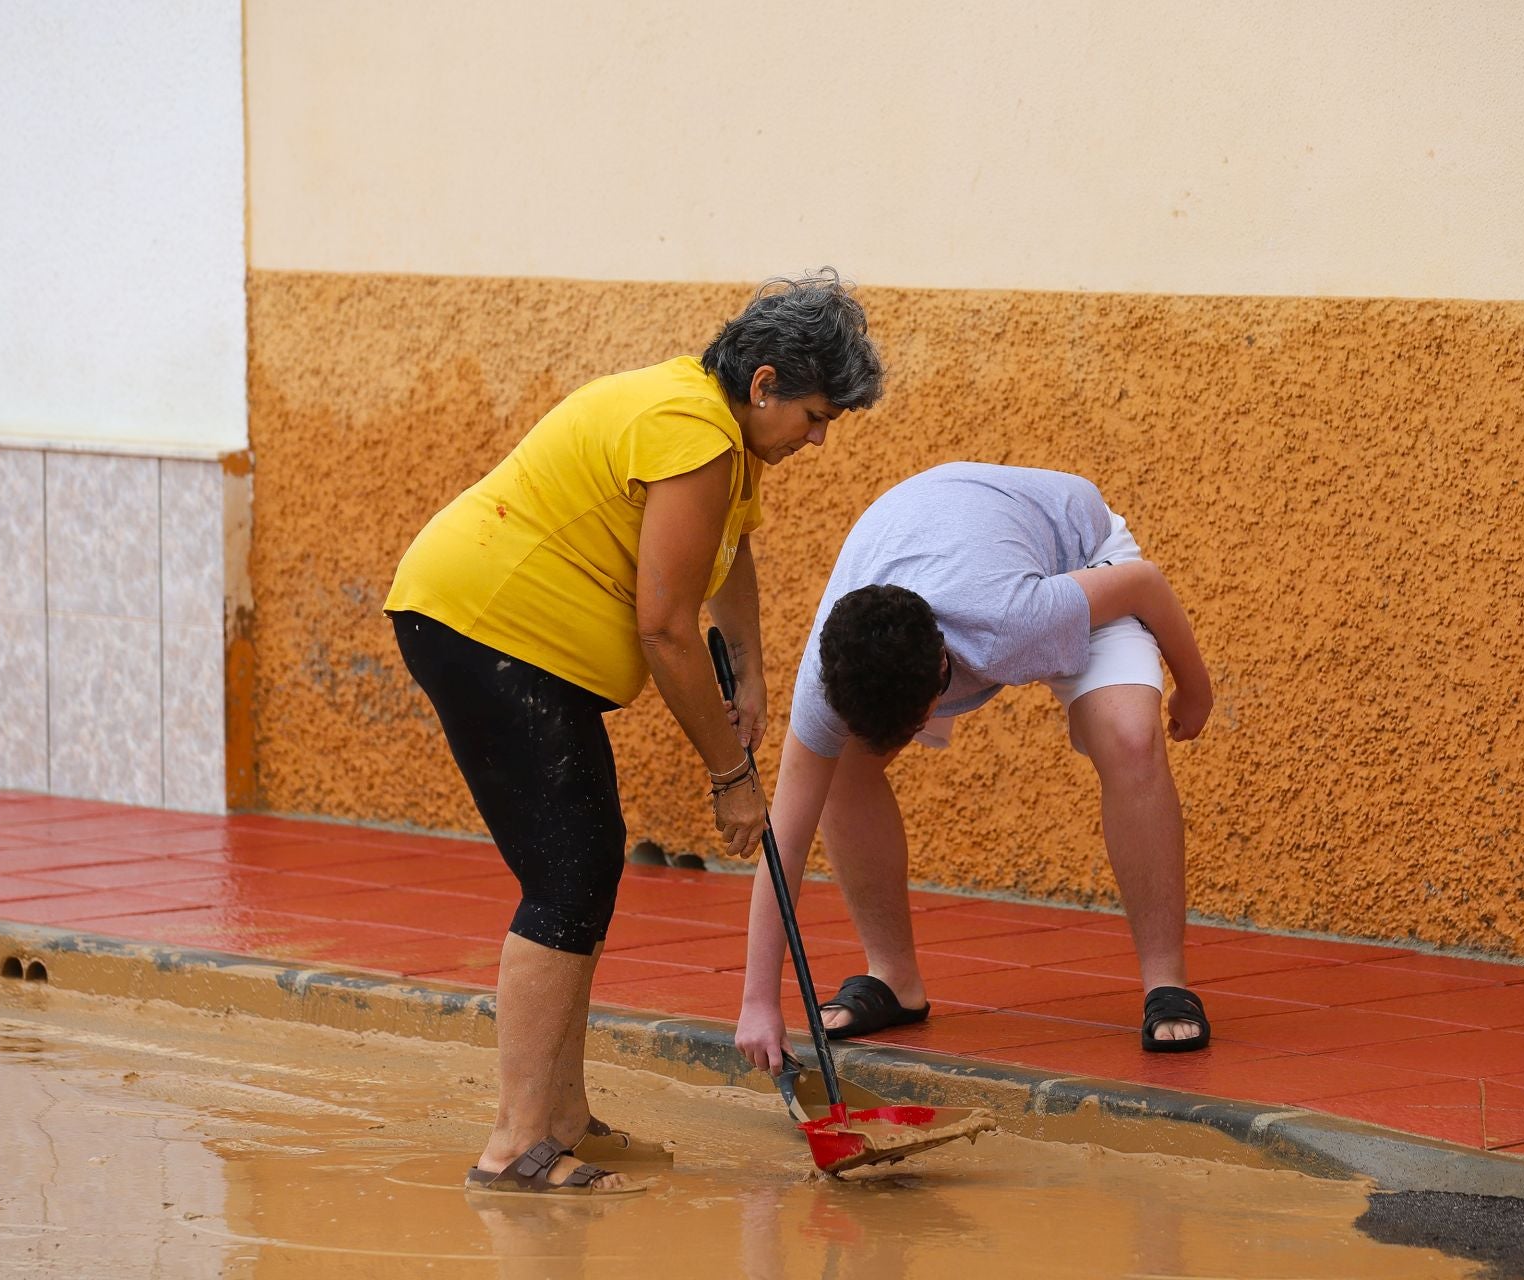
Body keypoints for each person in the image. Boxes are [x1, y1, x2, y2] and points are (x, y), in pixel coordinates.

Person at [385, 270, 882, 1196]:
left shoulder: (716, 435)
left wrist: (754, 663)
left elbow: (725, 554)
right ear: (765, 383)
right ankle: (517, 1145)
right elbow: (663, 626)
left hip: (506, 635)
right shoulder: (693, 432)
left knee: (584, 862)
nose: (818, 438)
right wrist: (731, 774)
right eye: (815, 415)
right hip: (484, 625)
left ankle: (561, 1118)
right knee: (566, 872)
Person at [733, 462, 1215, 1075]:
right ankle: (895, 979)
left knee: (1131, 740)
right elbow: (786, 844)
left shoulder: (1014, 619)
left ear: (946, 672)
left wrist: (1194, 692)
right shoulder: (828, 679)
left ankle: (1165, 983)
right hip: (944, 539)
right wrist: (756, 1003)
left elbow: (1143, 582)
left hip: (1074, 550)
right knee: (843, 770)